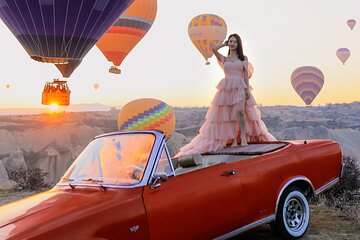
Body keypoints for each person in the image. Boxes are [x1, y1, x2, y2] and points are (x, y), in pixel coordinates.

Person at [175, 33, 275, 158]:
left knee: (240, 112)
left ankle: (243, 137)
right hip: (226, 87)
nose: (232, 43)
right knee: (229, 115)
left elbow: (245, 75)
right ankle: (233, 138)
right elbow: (213, 50)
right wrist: (224, 44)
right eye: (231, 41)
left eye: (235, 42)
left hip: (240, 86)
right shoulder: (224, 59)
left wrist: (247, 89)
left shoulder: (243, 58)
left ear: (239, 44)